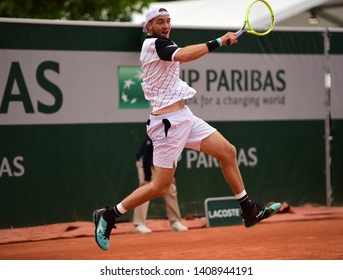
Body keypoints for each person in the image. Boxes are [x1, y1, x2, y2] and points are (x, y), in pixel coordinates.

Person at [93, 6, 281, 251]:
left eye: (168, 21)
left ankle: (248, 210)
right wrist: (219, 41)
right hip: (167, 125)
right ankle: (109, 215)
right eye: (160, 21)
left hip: (185, 118)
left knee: (228, 151)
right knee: (160, 186)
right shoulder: (154, 44)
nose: (165, 25)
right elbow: (184, 55)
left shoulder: (164, 44)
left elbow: (180, 55)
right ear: (149, 26)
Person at [133, 135, 188, 233]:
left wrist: (172, 176)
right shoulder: (155, 134)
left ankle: (175, 221)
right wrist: (147, 178)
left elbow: (173, 158)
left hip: (160, 164)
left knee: (171, 189)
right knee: (145, 190)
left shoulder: (175, 138)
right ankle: (139, 224)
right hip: (146, 163)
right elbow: (147, 156)